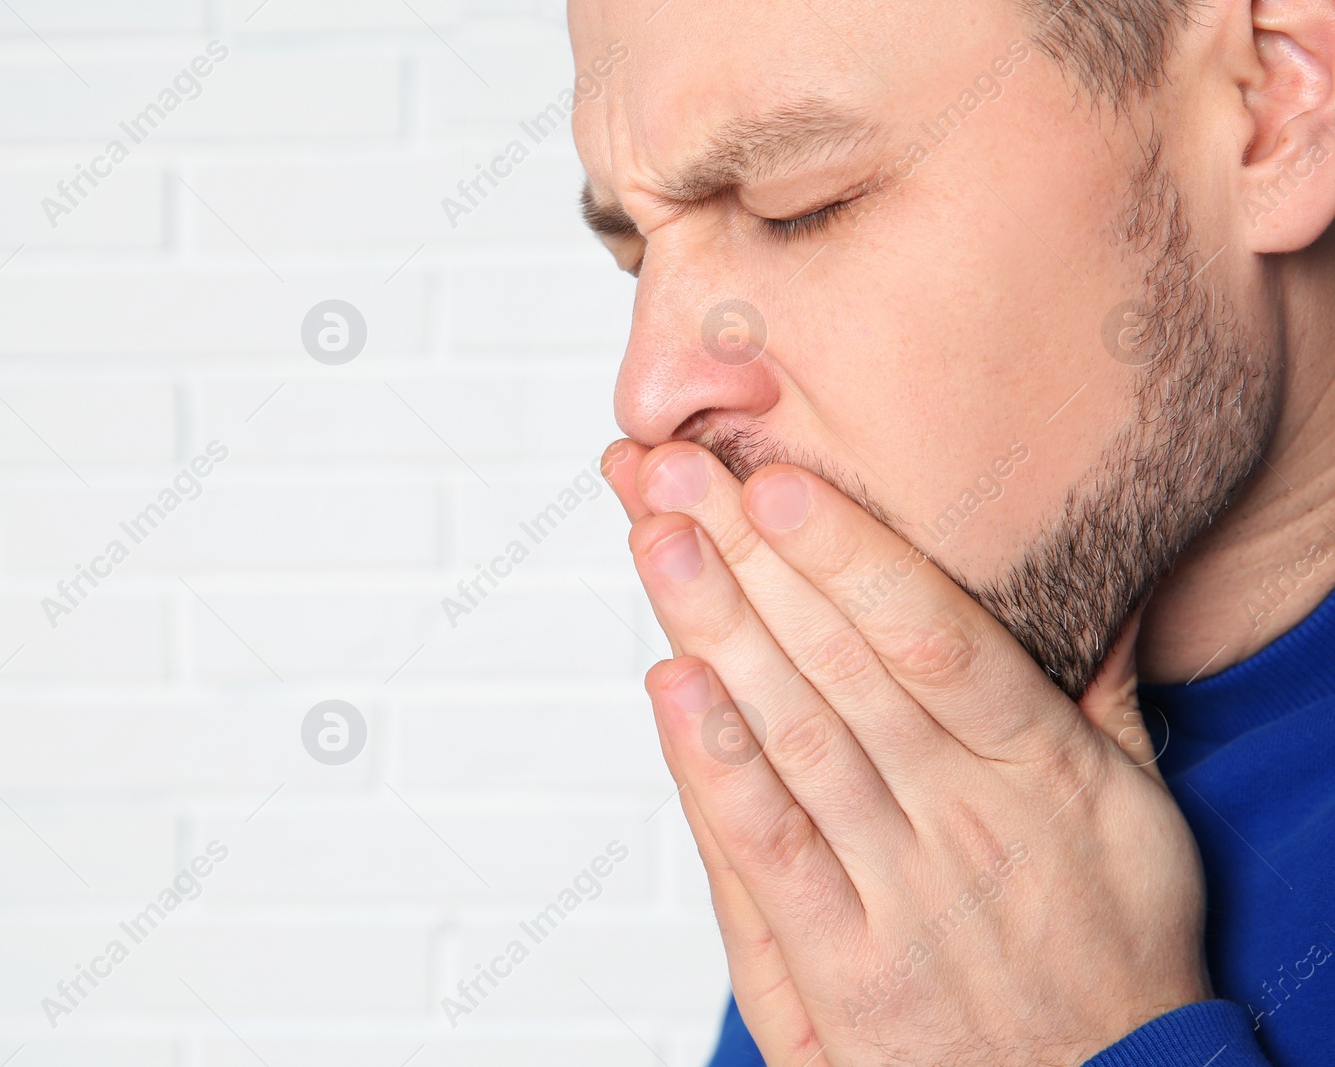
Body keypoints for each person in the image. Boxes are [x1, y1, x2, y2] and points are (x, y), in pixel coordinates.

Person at [568, 0, 1335, 1063]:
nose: (645, 394)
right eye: (632, 256)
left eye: (800, 207)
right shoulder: (917, 836)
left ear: (1273, 110)